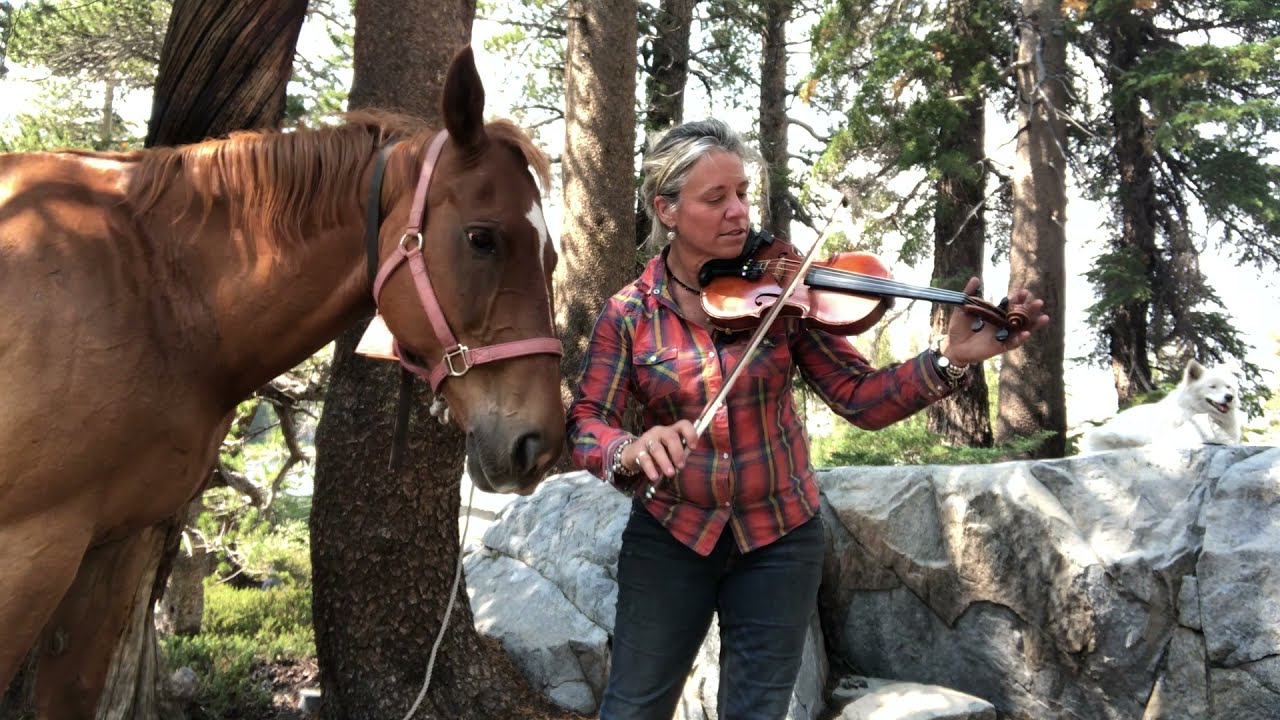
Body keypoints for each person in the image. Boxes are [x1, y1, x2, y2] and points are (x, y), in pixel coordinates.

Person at [566, 118, 1049, 720]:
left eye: (742, 193)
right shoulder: (629, 313)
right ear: (667, 208)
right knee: (634, 707)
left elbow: (859, 397)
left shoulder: (783, 283)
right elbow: (589, 419)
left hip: (779, 539)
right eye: (715, 199)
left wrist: (949, 361)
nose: (738, 212)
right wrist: (630, 449)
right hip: (671, 537)